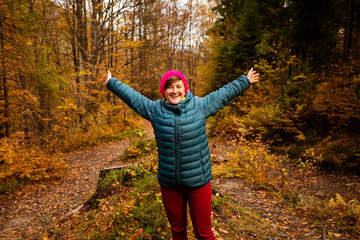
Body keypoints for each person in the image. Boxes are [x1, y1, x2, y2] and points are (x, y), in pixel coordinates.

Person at [103, 68, 259, 240]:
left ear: (185, 88)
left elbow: (223, 94)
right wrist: (112, 82)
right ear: (164, 91)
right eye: (170, 87)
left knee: (203, 232)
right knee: (177, 231)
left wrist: (245, 81)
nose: (174, 91)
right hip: (170, 184)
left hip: (198, 181)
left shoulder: (199, 106)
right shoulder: (155, 110)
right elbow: (133, 97)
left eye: (178, 86)